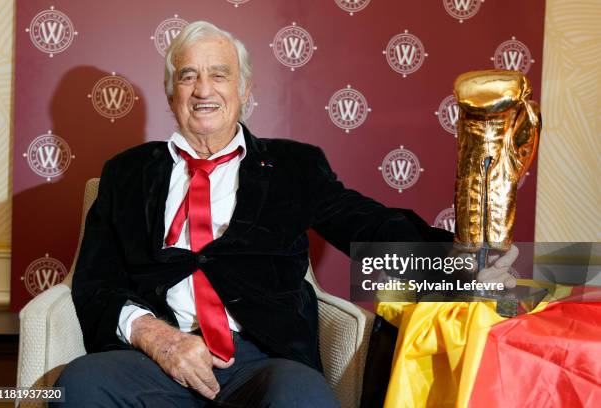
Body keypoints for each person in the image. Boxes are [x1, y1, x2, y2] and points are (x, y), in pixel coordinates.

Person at [53, 21, 517, 407]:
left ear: (245, 88)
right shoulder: (125, 173)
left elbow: (366, 224)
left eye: (219, 74)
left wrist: (461, 260)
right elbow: (96, 281)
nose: (203, 90)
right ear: (171, 90)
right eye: (188, 76)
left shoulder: (293, 166)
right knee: (79, 385)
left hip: (262, 359)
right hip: (155, 359)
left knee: (303, 397)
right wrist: (159, 339)